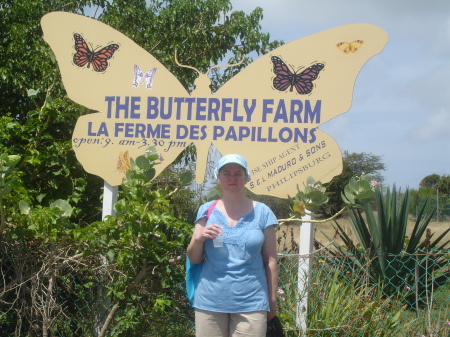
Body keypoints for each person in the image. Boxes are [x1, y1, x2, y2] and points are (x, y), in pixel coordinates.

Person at [187, 154, 278, 337]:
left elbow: (271, 261)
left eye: (238, 173)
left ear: (246, 177)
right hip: (209, 302)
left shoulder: (263, 212)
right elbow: (193, 257)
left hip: (252, 303)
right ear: (218, 178)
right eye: (226, 173)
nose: (232, 177)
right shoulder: (206, 210)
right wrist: (199, 239)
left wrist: (272, 300)